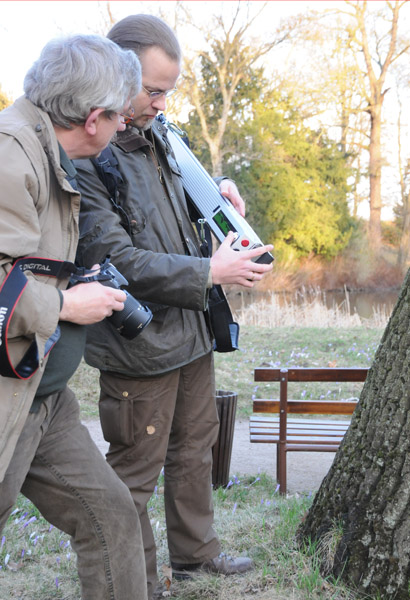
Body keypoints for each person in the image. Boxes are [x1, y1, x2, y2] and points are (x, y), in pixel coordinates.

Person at [74, 15, 273, 599]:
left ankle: (196, 556)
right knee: (135, 466)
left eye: (168, 91)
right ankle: (139, 579)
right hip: (138, 347)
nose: (162, 103)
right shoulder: (88, 155)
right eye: (153, 90)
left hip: (190, 331)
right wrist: (213, 271)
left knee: (195, 445)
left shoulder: (159, 134)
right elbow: (119, 259)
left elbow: (168, 208)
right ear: (117, 77)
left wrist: (216, 190)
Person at [0, 35, 148, 600]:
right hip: (7, 395)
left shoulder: (52, 150)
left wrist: (71, 283)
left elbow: (23, 266)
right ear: (93, 118)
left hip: (44, 398)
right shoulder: (12, 156)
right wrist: (65, 305)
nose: (122, 128)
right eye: (120, 116)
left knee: (112, 518)